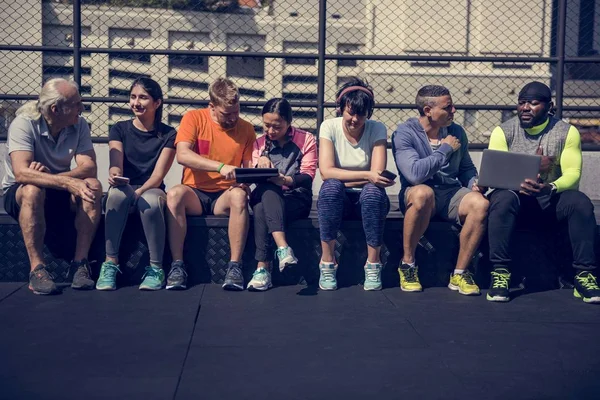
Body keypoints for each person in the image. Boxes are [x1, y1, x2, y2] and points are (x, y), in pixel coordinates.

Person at [486, 81, 600, 304]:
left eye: (533, 103)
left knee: (580, 202)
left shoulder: (566, 132)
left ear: (549, 106)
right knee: (502, 198)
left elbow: (573, 174)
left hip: (549, 201)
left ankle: (584, 275)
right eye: (521, 103)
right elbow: (495, 172)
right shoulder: (503, 131)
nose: (525, 108)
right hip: (516, 201)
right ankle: (500, 273)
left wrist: (550, 187)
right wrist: (530, 169)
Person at [1, 78, 102, 295]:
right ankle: (37, 270)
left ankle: (80, 265)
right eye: (75, 104)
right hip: (19, 192)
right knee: (32, 189)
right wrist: (57, 181)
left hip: (57, 187)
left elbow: (89, 167)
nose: (81, 108)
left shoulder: (79, 124)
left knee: (93, 186)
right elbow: (21, 173)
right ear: (56, 109)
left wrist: (53, 177)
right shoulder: (24, 123)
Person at [392, 85, 488, 295]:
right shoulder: (405, 133)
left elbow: (466, 168)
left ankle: (460, 273)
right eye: (448, 107)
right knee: (422, 192)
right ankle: (407, 264)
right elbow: (415, 175)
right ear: (428, 111)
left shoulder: (456, 131)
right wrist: (444, 149)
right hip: (417, 193)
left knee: (480, 203)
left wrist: (474, 182)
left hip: (450, 193)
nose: (454, 111)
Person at [166, 78, 256, 291]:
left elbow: (248, 168)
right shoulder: (193, 119)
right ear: (212, 107)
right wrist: (219, 167)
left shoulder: (247, 129)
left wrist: (250, 176)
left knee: (240, 196)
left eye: (237, 111)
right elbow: (182, 155)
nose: (234, 118)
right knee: (174, 195)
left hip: (225, 195)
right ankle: (177, 265)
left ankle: (235, 267)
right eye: (227, 114)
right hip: (194, 193)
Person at [96, 78, 176, 291]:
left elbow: (158, 176)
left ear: (157, 103)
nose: (136, 102)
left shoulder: (169, 134)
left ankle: (156, 268)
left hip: (151, 187)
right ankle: (110, 263)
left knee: (149, 203)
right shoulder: (119, 129)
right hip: (126, 186)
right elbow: (116, 165)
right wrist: (114, 175)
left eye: (143, 97)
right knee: (114, 196)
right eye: (133, 97)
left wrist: (138, 191)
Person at [317, 77, 393, 291]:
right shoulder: (328, 126)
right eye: (351, 112)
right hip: (339, 195)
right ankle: (327, 262)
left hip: (366, 198)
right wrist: (368, 175)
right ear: (341, 108)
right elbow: (326, 172)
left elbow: (378, 175)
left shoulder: (377, 128)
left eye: (361, 114)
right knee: (331, 188)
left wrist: (368, 177)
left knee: (372, 193)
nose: (355, 119)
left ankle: (373, 264)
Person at [248, 98, 317, 291]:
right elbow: (250, 177)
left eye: (276, 127)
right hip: (267, 194)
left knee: (262, 206)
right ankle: (283, 249)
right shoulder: (259, 144)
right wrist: (258, 166)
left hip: (296, 198)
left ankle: (262, 269)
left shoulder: (306, 139)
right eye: (266, 125)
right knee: (268, 191)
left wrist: (286, 180)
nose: (270, 131)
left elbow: (308, 176)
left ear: (289, 123)